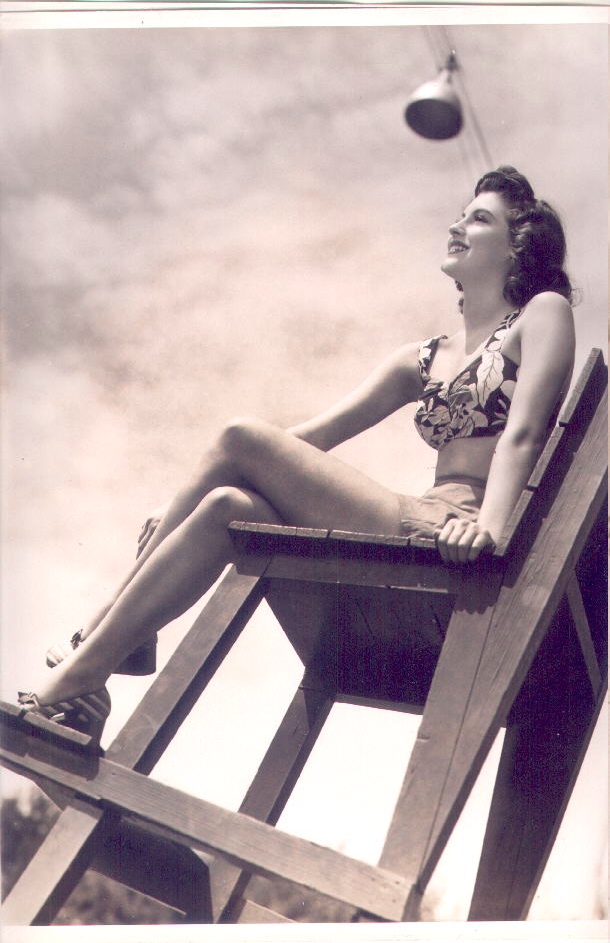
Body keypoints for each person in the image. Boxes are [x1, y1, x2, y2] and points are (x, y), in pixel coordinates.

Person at [17, 166, 576, 743]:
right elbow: (312, 438)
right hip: (419, 520)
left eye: (479, 220)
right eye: (461, 215)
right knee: (225, 504)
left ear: (517, 247)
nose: (457, 226)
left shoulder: (543, 313)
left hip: (459, 530)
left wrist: (490, 531)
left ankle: (99, 630)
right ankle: (90, 675)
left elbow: (524, 435)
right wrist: (182, 500)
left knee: (240, 434)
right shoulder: (424, 357)